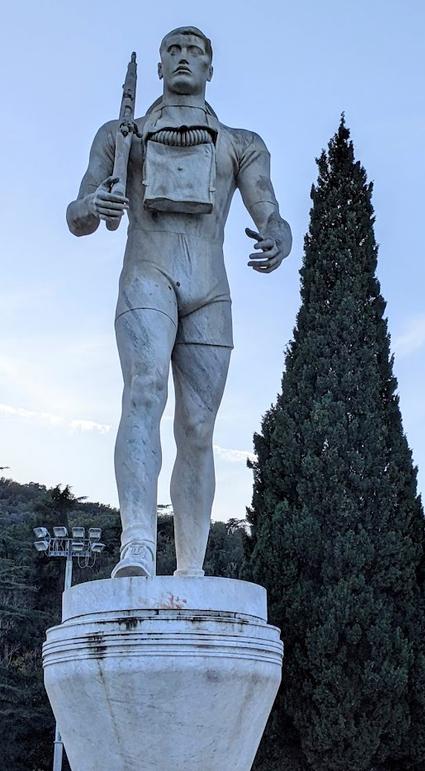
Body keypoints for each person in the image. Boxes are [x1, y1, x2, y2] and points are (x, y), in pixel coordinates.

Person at [67, 26, 292, 578]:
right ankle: (138, 542)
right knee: (144, 390)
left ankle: (190, 566)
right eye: (174, 50)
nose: (184, 57)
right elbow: (76, 215)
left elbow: (268, 207)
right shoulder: (123, 136)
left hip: (210, 288)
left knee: (198, 426)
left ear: (210, 68)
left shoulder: (241, 142)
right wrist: (97, 201)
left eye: (195, 51)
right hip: (148, 272)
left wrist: (279, 232)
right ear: (162, 66)